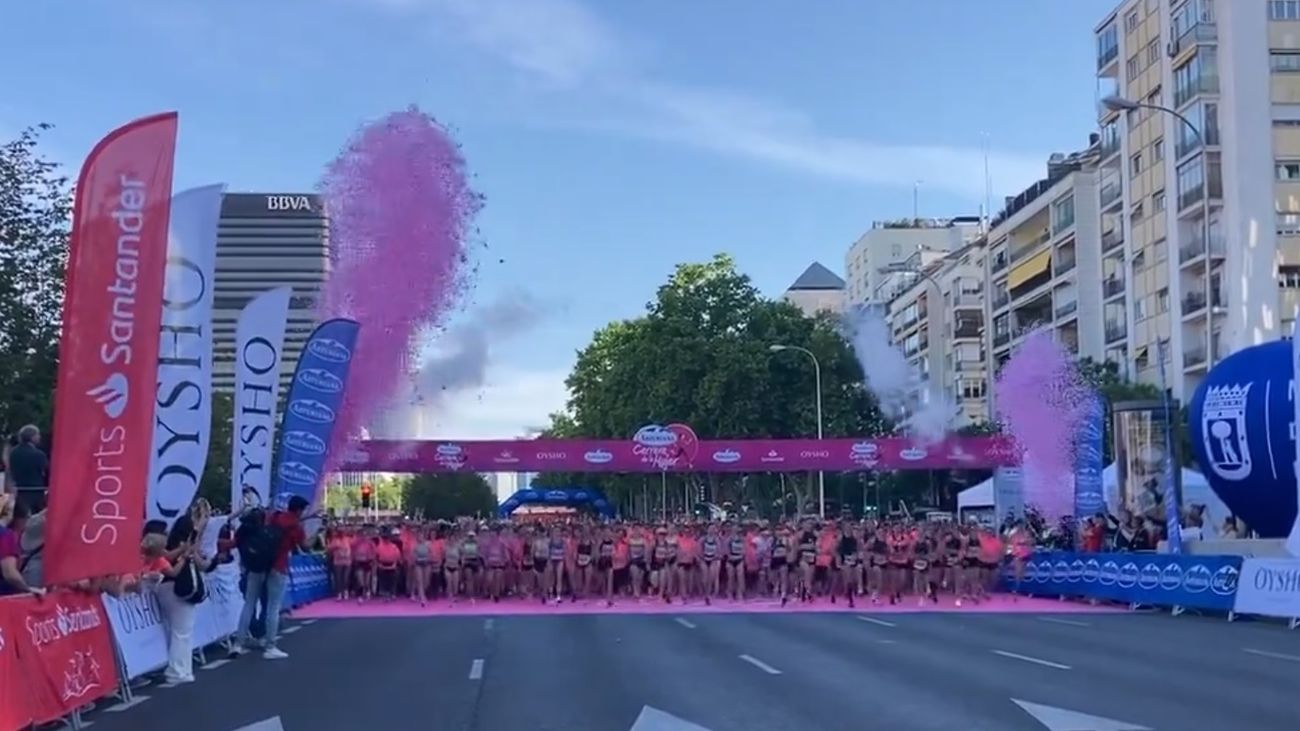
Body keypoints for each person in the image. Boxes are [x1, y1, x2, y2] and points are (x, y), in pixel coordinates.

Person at [233, 495, 309, 660]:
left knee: (249, 604)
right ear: (299, 510)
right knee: (273, 607)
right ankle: (270, 645)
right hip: (278, 567)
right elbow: (305, 546)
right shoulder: (296, 526)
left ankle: (238, 643)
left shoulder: (274, 516)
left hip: (258, 564)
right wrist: (315, 532)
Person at [0, 499, 40, 595]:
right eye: (28, 518)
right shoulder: (6, 536)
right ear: (18, 519)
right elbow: (10, 573)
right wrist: (28, 590)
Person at [6, 425, 49, 513]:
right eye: (37, 435)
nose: (39, 437)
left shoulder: (13, 453)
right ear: (32, 437)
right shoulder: (38, 454)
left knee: (21, 517)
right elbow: (47, 470)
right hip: (36, 490)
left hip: (19, 490)